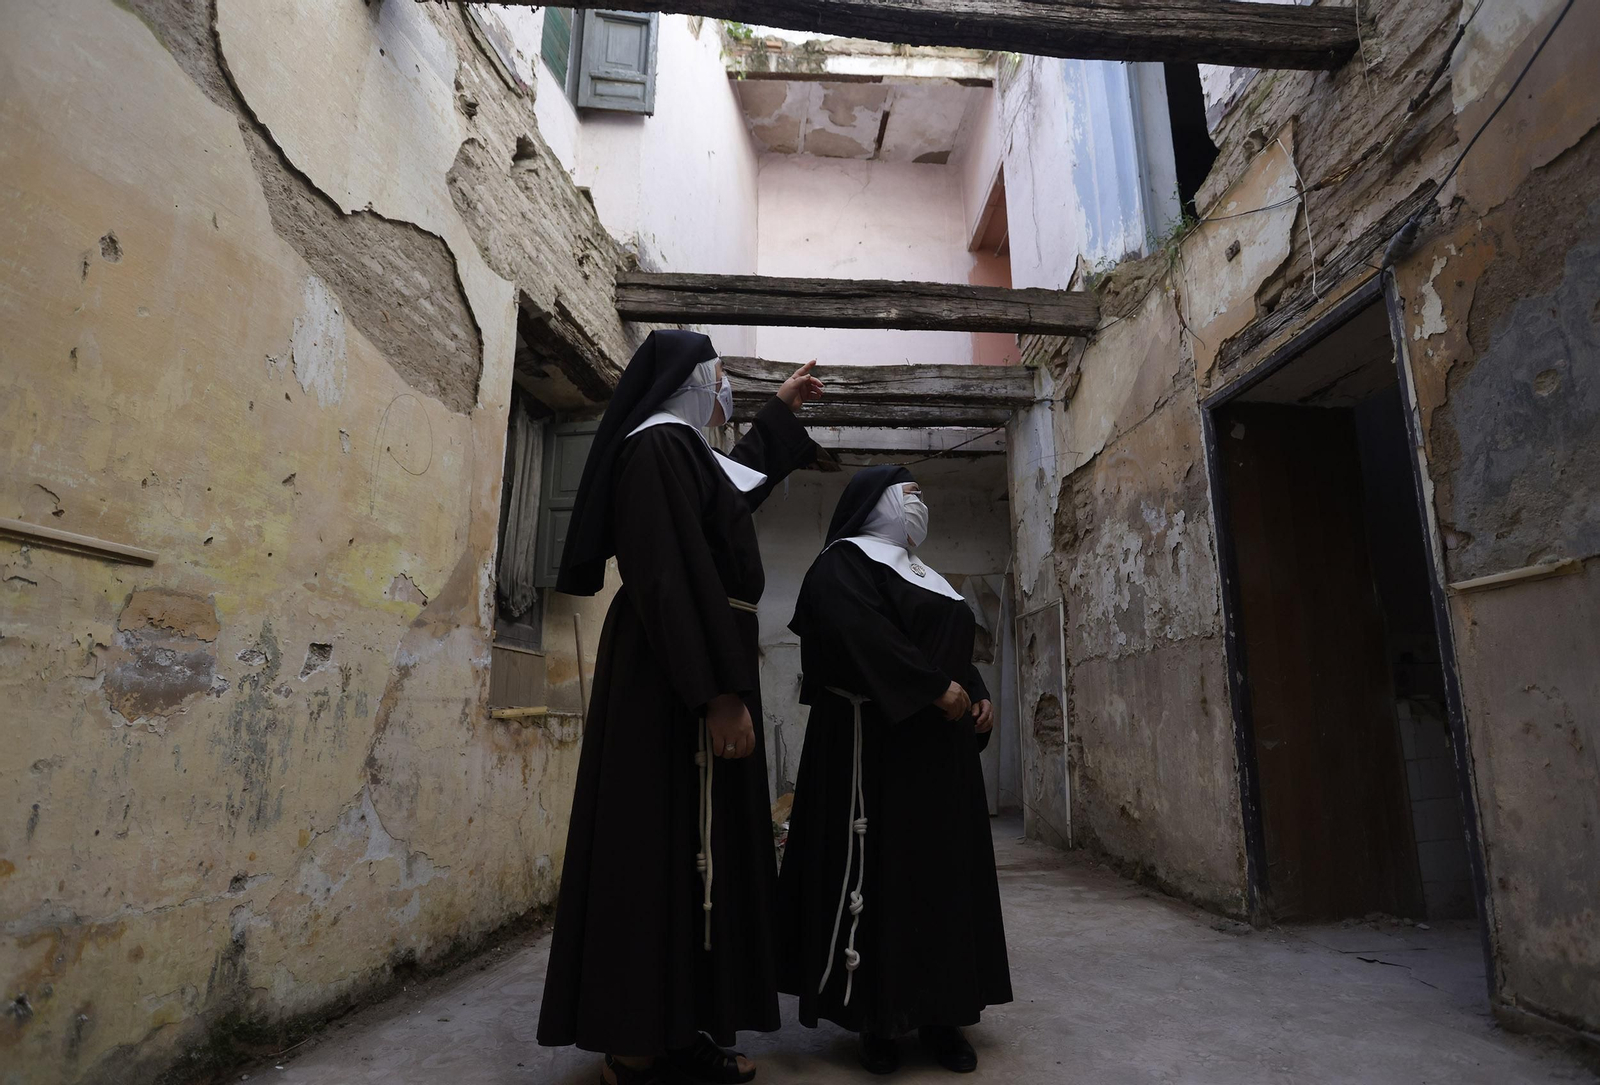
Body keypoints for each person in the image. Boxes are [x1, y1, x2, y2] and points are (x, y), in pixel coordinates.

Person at [537, 330, 823, 1085]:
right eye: (720, 376)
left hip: (690, 668)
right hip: (675, 678)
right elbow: (669, 577)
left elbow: (731, 491)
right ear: (692, 380)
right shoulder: (658, 448)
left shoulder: (680, 453)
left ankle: (680, 1024)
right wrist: (717, 692)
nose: (724, 390)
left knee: (692, 854)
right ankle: (635, 1043)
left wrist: (780, 412)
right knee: (654, 850)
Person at [777, 465, 1012, 1075]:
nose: (921, 504)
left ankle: (943, 1016)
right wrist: (936, 690)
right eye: (911, 494)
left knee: (942, 884)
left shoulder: (930, 576)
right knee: (883, 882)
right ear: (876, 502)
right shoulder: (841, 563)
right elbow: (865, 637)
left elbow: (951, 647)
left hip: (940, 765)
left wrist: (977, 692)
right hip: (876, 756)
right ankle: (876, 1020)